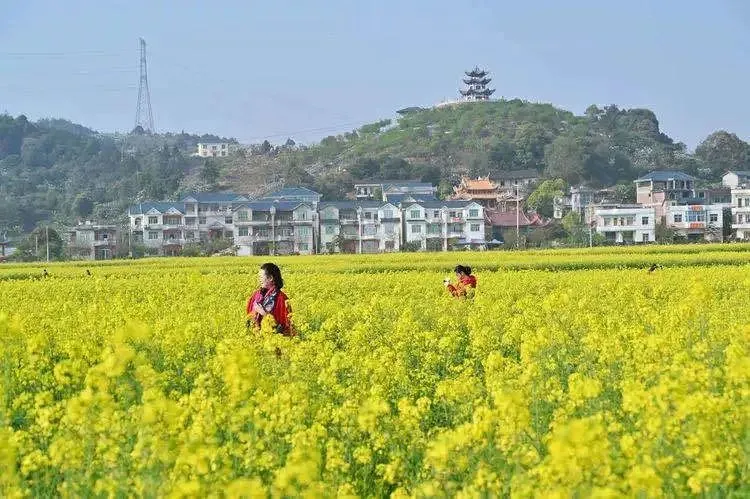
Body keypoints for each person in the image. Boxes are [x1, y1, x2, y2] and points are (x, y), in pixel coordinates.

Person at [246, 262, 295, 336]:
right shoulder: (255, 296)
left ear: (271, 278)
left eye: (261, 277)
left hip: (274, 340)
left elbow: (285, 326)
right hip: (255, 338)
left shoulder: (281, 299)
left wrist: (264, 313)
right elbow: (248, 320)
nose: (259, 280)